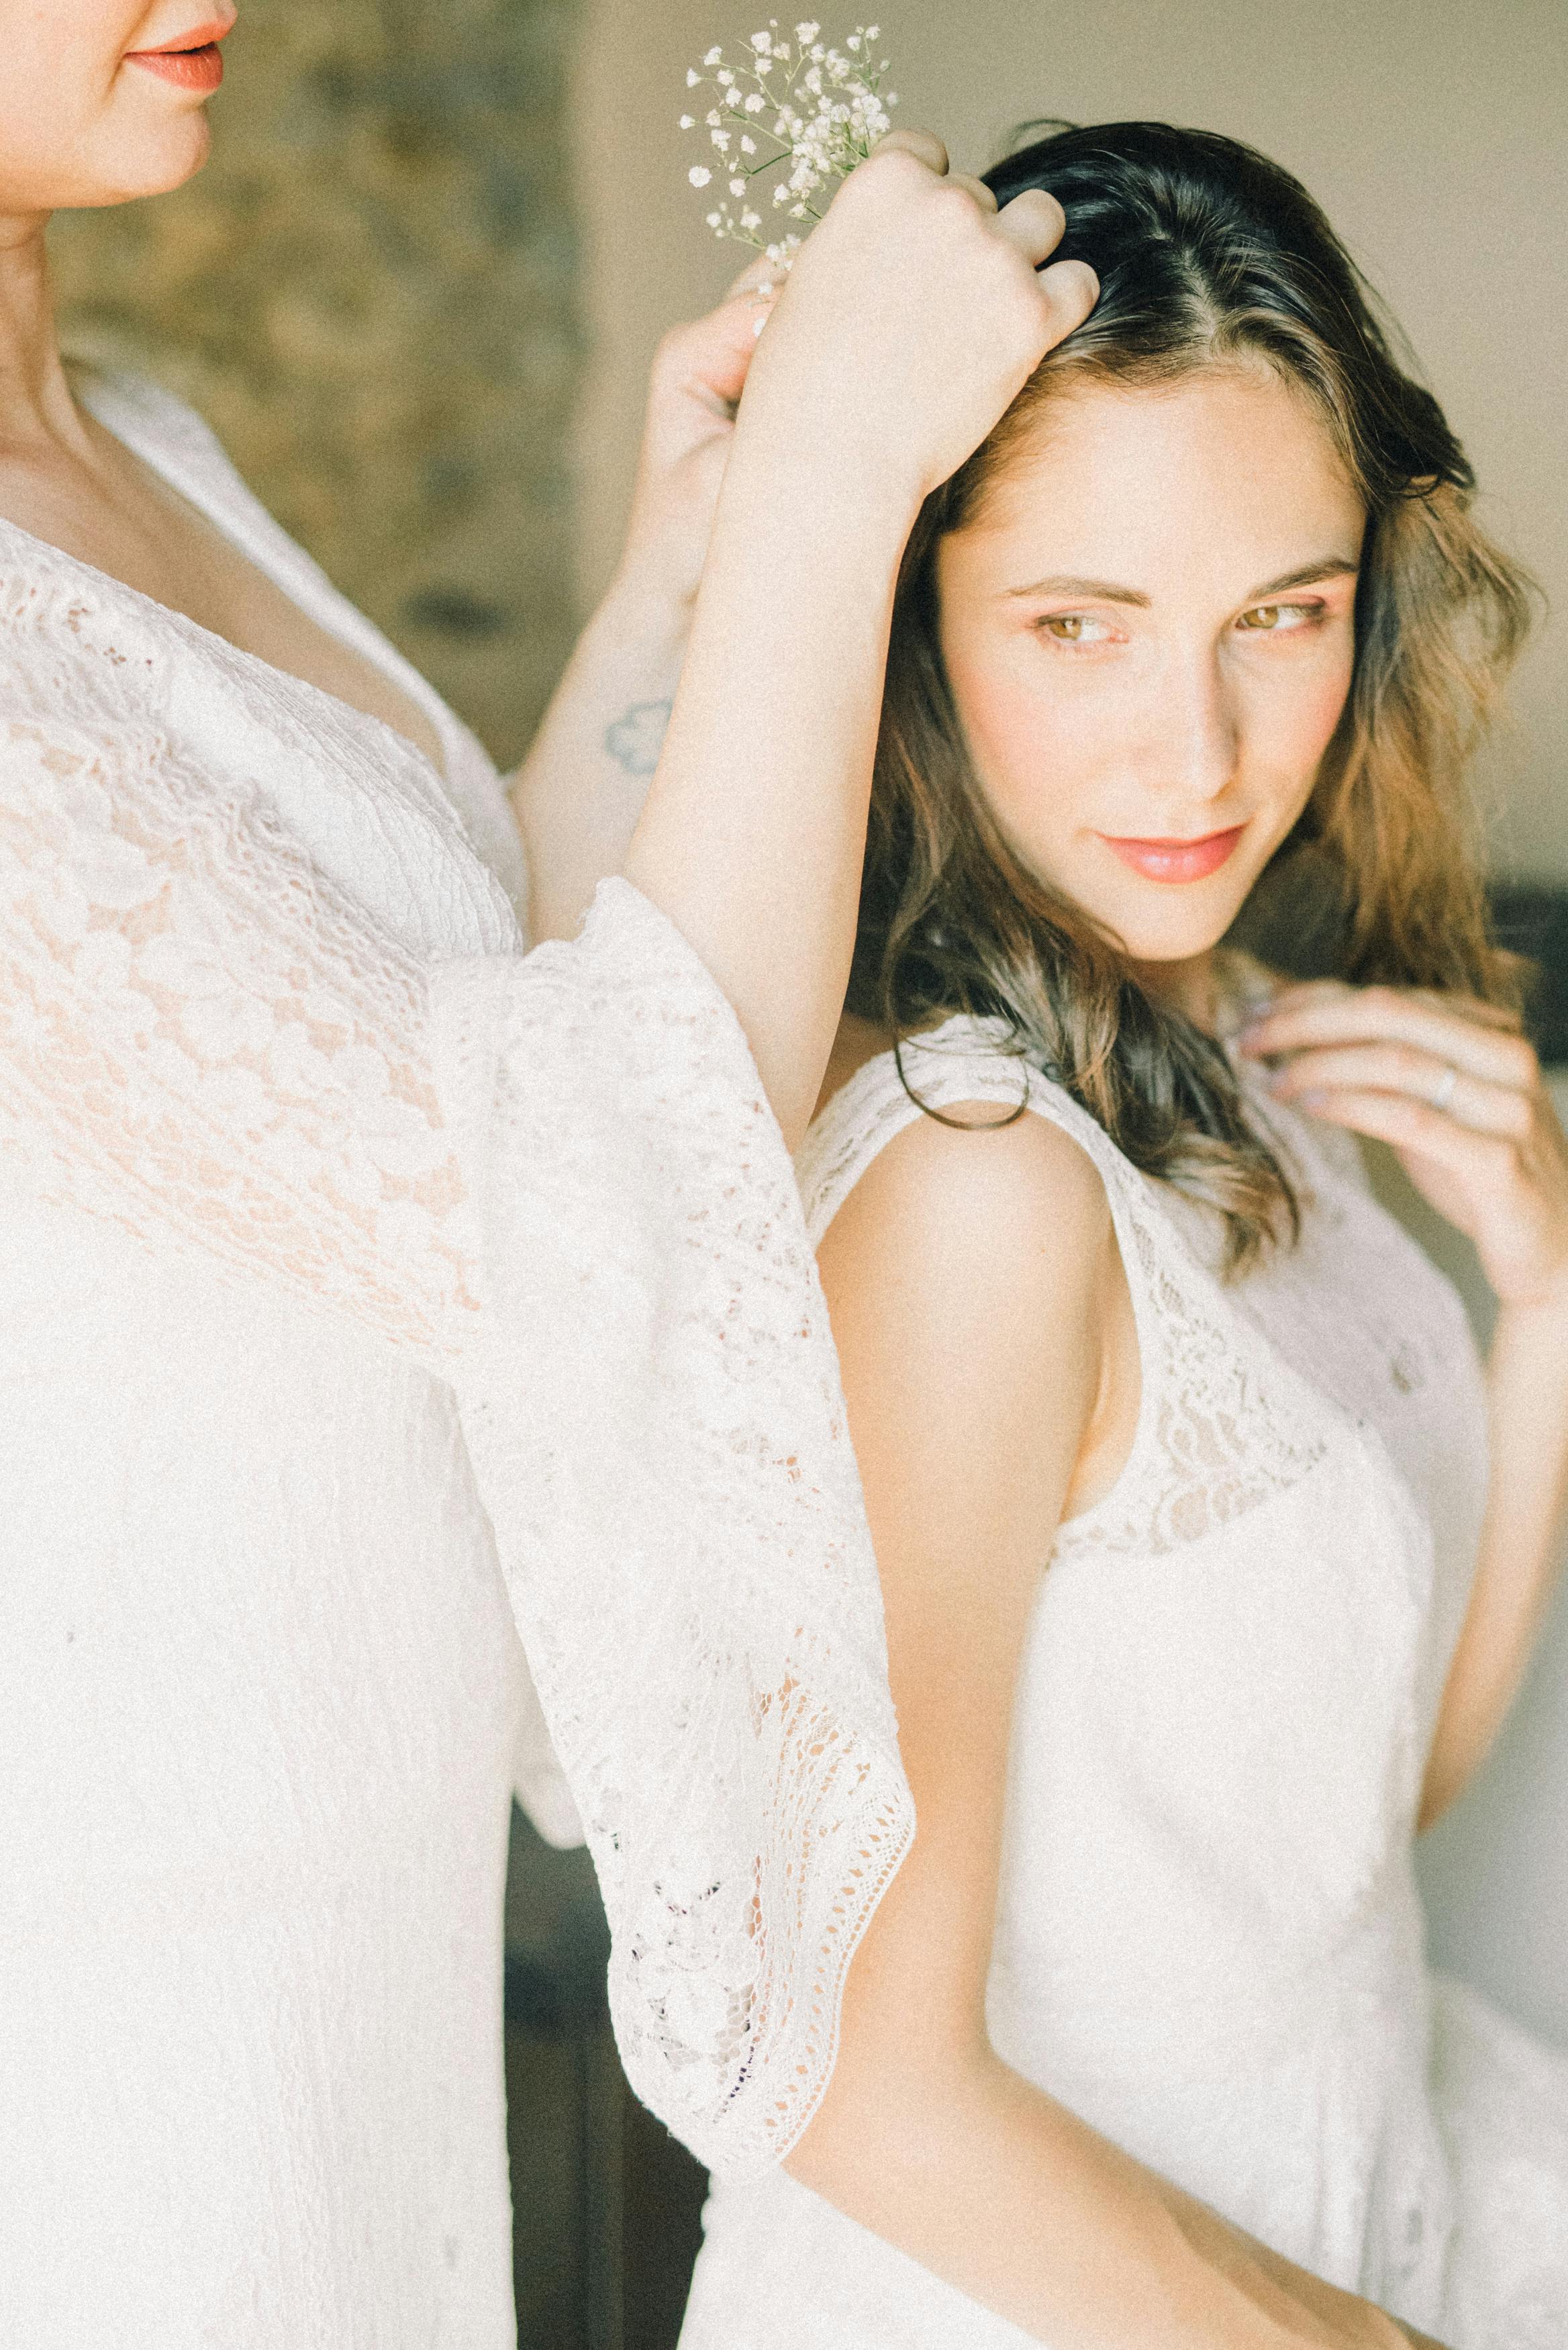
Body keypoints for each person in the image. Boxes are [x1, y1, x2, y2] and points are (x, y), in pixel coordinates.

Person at [0, 7, 1101, 2341]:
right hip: (118, 2021)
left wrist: (685, 584)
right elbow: (564, 1201)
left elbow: (463, 1006)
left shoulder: (150, 447)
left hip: (350, 1968)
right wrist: (829, 496)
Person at [675, 122, 1568, 2350]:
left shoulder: (1261, 1049)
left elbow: (1350, 1813)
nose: (1201, 750)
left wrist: (1546, 1308)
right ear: (917, 621)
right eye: (1079, 625)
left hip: (1335, 2208)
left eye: (1285, 615)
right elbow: (856, 2082)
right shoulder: (977, 1184)